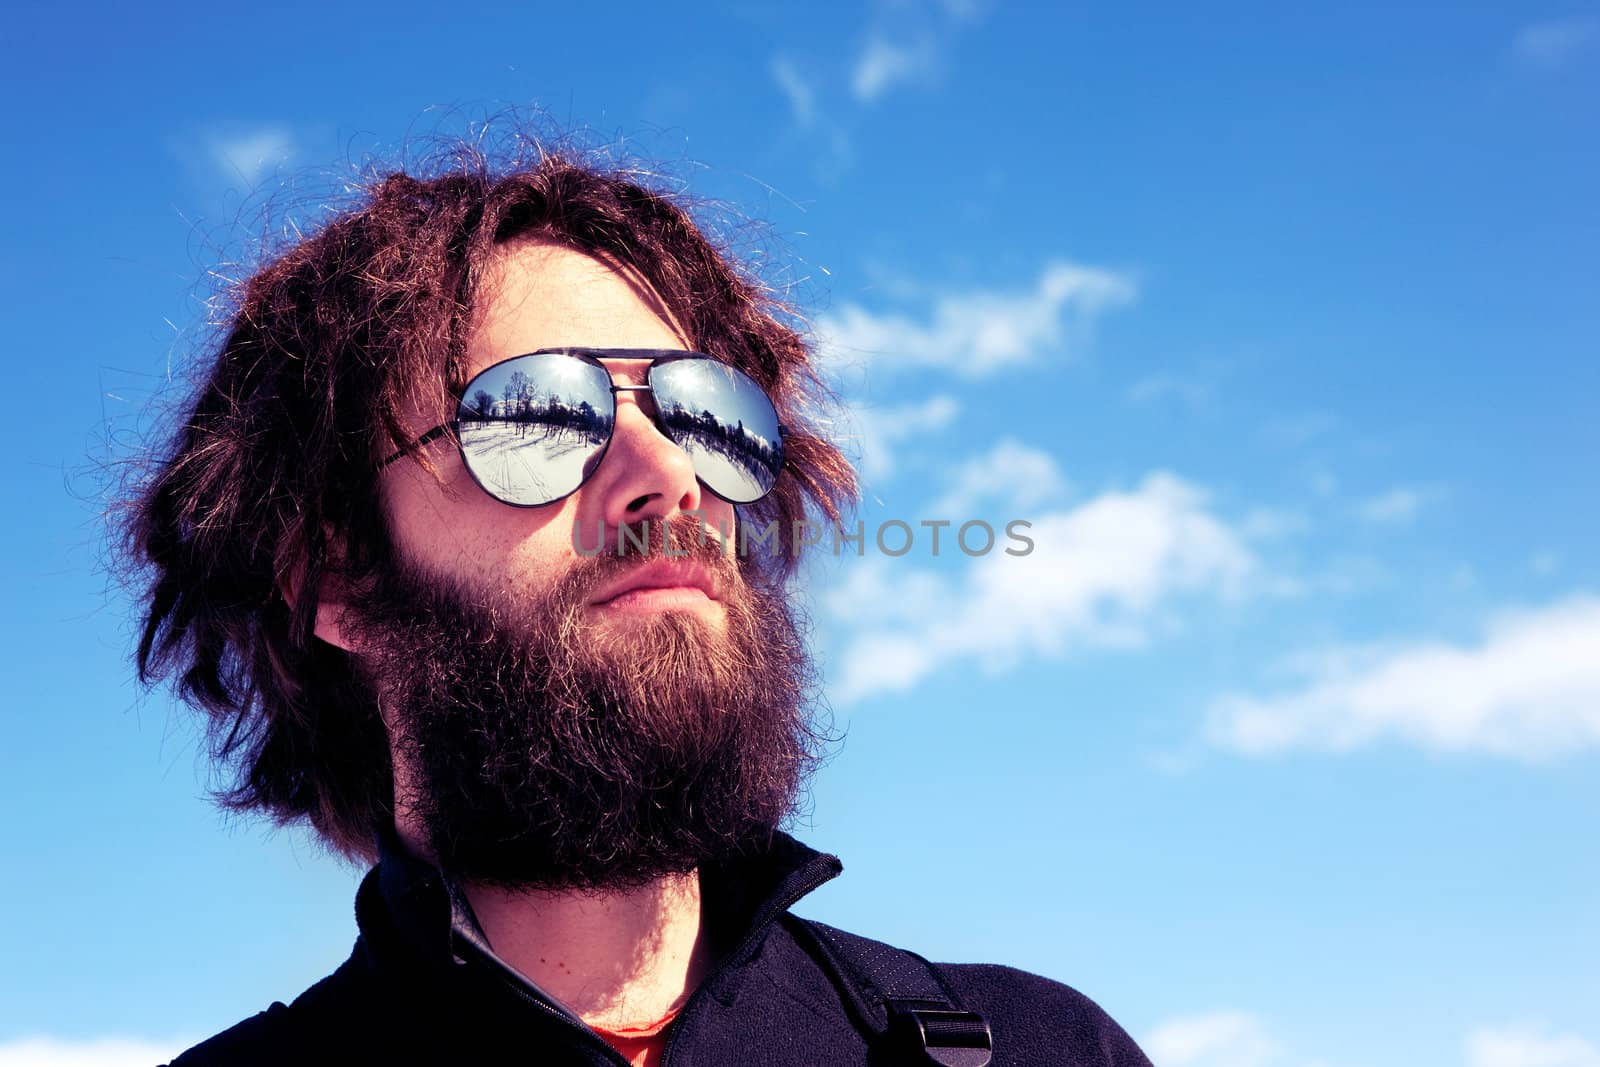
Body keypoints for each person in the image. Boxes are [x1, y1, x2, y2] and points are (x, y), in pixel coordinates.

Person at [124, 140, 1153, 1066]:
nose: (667, 472)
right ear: (337, 578)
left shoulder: (1039, 1051)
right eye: (533, 414)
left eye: (704, 415)